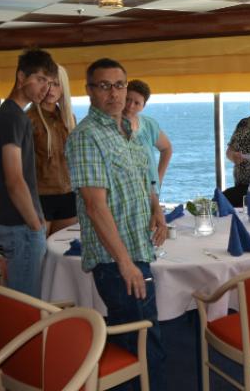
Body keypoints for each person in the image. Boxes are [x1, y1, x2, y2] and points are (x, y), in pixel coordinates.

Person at [65, 58, 167, 391]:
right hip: (116, 261)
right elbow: (94, 206)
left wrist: (156, 209)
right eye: (104, 86)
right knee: (141, 344)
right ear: (89, 91)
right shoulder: (86, 137)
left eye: (119, 85)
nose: (114, 93)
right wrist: (125, 262)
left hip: (138, 249)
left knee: (145, 336)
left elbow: (143, 178)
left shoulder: (127, 130)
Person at [0, 48, 57, 298]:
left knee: (25, 302)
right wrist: (35, 225)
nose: (45, 88)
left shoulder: (12, 116)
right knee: (28, 305)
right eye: (40, 79)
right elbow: (14, 179)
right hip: (21, 227)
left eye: (49, 82)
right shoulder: (12, 118)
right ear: (21, 77)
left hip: (19, 224)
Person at [27, 65, 77, 236]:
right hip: (39, 197)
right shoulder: (28, 119)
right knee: (39, 251)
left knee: (64, 248)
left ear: (63, 88)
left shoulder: (69, 119)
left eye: (56, 84)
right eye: (46, 83)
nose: (51, 89)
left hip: (69, 194)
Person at [123, 80, 173, 196]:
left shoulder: (148, 125)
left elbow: (167, 148)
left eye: (137, 103)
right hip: (123, 193)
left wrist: (158, 179)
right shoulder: (109, 126)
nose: (130, 105)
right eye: (127, 99)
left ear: (143, 106)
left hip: (149, 193)